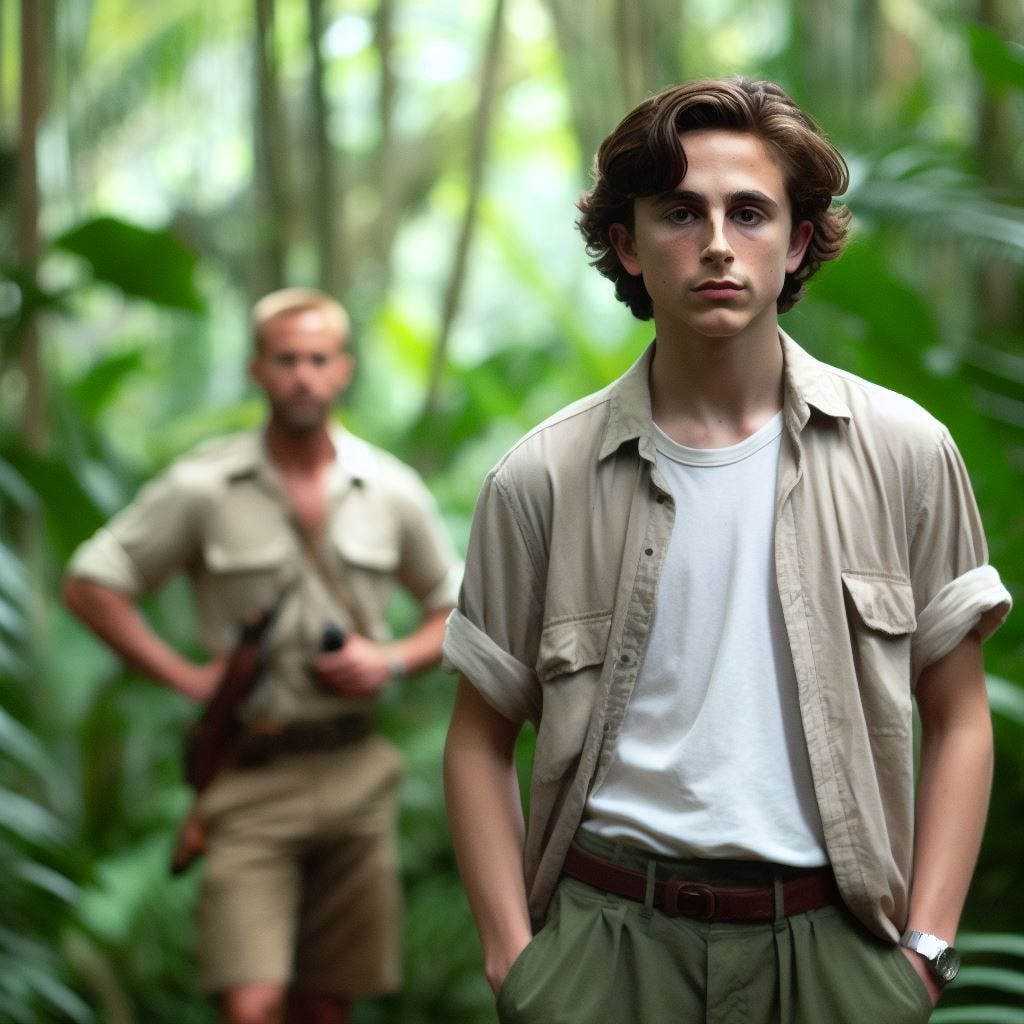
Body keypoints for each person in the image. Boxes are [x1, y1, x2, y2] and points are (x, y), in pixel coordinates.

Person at [442, 77, 1012, 1024]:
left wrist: (926, 953)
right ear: (626, 243)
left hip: (837, 952)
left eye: (749, 212)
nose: (716, 242)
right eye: (679, 212)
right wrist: (518, 964)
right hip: (609, 948)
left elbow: (959, 718)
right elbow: (477, 738)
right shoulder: (541, 478)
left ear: (794, 243)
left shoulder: (903, 451)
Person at [64, 288, 460, 1024]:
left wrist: (391, 659)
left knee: (325, 1005)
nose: (303, 376)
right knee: (250, 1005)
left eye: (318, 360)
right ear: (256, 369)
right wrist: (187, 677)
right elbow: (92, 582)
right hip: (249, 773)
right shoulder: (203, 486)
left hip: (353, 769)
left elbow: (459, 607)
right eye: (286, 360)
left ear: (342, 370)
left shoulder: (390, 489)